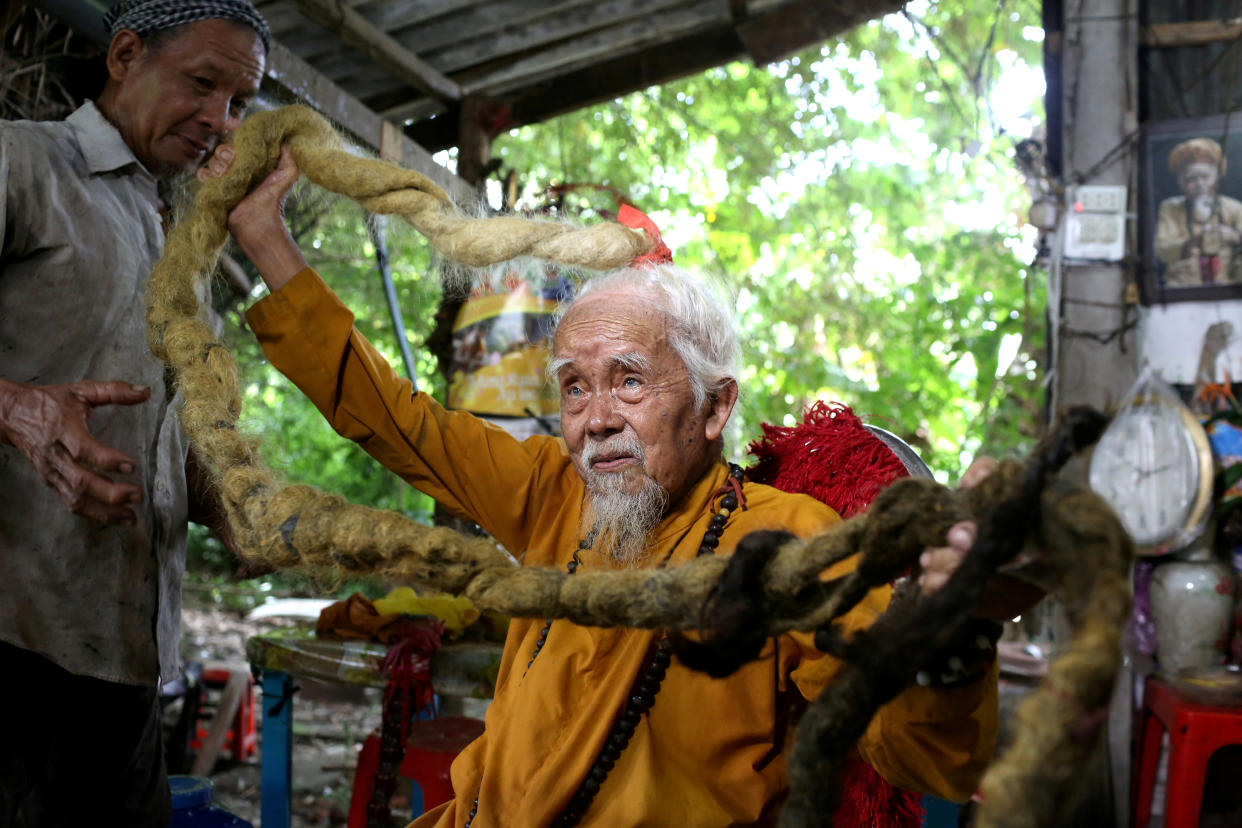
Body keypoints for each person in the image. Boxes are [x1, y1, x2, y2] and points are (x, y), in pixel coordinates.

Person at [204, 145, 1038, 826]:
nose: (594, 419)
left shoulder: (783, 543)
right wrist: (263, 235)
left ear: (716, 408)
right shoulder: (552, 495)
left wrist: (953, 630)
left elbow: (920, 752)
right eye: (574, 387)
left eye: (629, 381)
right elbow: (396, 422)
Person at [0, 2, 269, 825]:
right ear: (124, 55)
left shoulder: (173, 237)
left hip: (125, 662)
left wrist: (235, 510)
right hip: (13, 648)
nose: (218, 120)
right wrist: (19, 411)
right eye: (202, 83)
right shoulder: (24, 163)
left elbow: (165, 426)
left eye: (238, 103)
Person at [1154, 136, 1242, 286]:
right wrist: (1193, 242)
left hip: (1228, 289)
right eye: (1191, 179)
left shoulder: (1234, 208)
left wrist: (1234, 236)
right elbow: (1161, 250)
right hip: (1182, 289)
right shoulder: (1170, 208)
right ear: (1180, 182)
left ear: (1216, 178)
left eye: (1205, 177)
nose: (1200, 184)